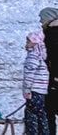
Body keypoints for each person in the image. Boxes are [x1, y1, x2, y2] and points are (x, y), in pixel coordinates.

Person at [24, 31, 50, 135]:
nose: (26, 44)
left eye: (28, 41)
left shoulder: (32, 56)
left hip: (34, 91)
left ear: (33, 43)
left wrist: (27, 90)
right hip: (41, 92)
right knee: (41, 114)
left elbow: (29, 74)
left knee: (31, 115)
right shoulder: (41, 57)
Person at [38, 7, 58, 135]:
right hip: (51, 76)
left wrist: (55, 75)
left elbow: (55, 56)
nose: (40, 21)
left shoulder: (53, 33)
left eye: (42, 18)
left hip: (53, 78)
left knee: (49, 109)